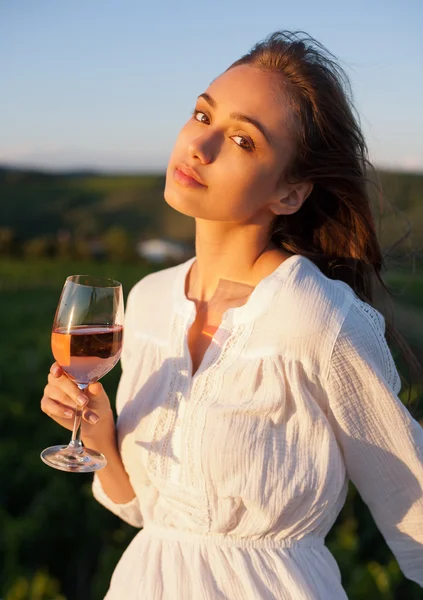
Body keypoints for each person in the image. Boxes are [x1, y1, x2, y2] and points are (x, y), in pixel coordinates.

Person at [41, 31, 423, 599]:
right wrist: (98, 438)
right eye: (202, 114)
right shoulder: (146, 302)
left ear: (290, 193)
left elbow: (411, 502)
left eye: (244, 140)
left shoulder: (314, 316)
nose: (200, 145)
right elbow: (150, 515)